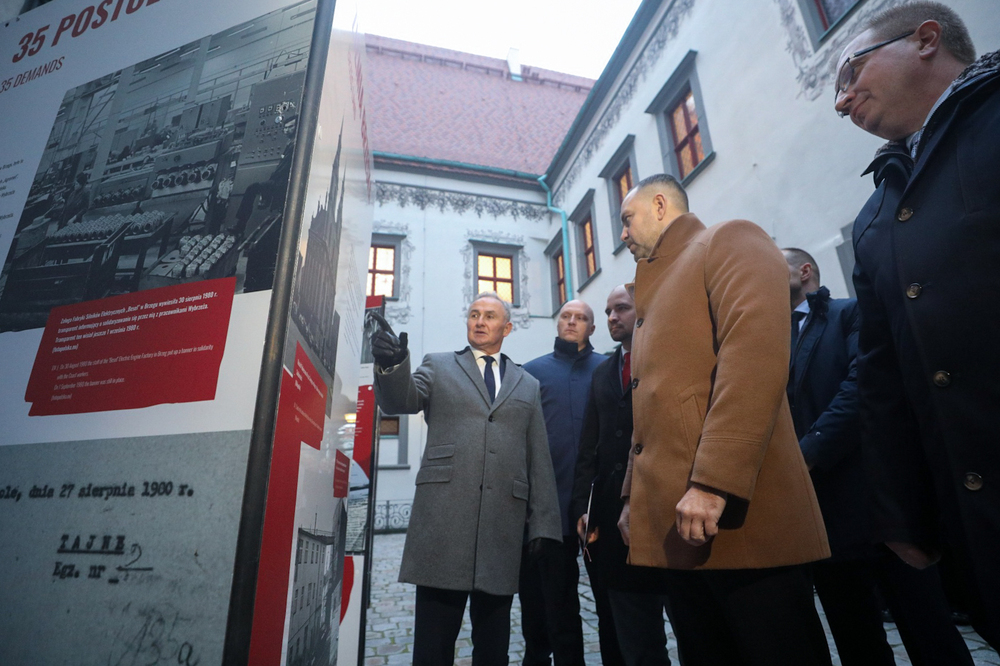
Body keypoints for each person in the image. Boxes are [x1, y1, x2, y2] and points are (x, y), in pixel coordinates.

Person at [834, 2, 1000, 648]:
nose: (841, 102)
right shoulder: (876, 214)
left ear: (926, 40)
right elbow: (883, 373)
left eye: (851, 73)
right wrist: (902, 513)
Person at [616, 173, 832, 666]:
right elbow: (652, 400)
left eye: (627, 219)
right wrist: (632, 496)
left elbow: (754, 360)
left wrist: (713, 482)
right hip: (678, 526)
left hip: (738, 519)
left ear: (660, 205)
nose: (623, 234)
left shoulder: (728, 239)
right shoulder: (655, 288)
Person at [783, 248, 973, 666]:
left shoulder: (848, 313)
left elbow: (862, 386)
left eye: (772, 265)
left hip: (879, 503)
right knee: (855, 637)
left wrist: (808, 451)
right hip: (822, 513)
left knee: (928, 628)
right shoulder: (771, 339)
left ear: (804, 270)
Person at [370, 294, 561, 666]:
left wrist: (544, 525)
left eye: (489, 316)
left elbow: (538, 456)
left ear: (507, 328)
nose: (480, 321)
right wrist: (392, 364)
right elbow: (401, 401)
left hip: (501, 529)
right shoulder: (439, 365)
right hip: (444, 523)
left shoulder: (527, 383)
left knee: (493, 649)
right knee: (433, 648)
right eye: (474, 314)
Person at [571, 285, 674, 666]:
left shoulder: (667, 358)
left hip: (664, 510)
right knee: (633, 635)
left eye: (622, 309)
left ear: (642, 310)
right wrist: (582, 506)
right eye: (608, 311)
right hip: (614, 521)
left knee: (693, 625)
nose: (613, 317)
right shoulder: (603, 372)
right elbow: (590, 445)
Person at [520, 300, 604, 666]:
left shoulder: (606, 369)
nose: (572, 322)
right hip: (548, 506)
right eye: (566, 316)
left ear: (592, 328)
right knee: (549, 604)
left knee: (613, 602)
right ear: (557, 323)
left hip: (598, 505)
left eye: (581, 318)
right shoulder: (531, 373)